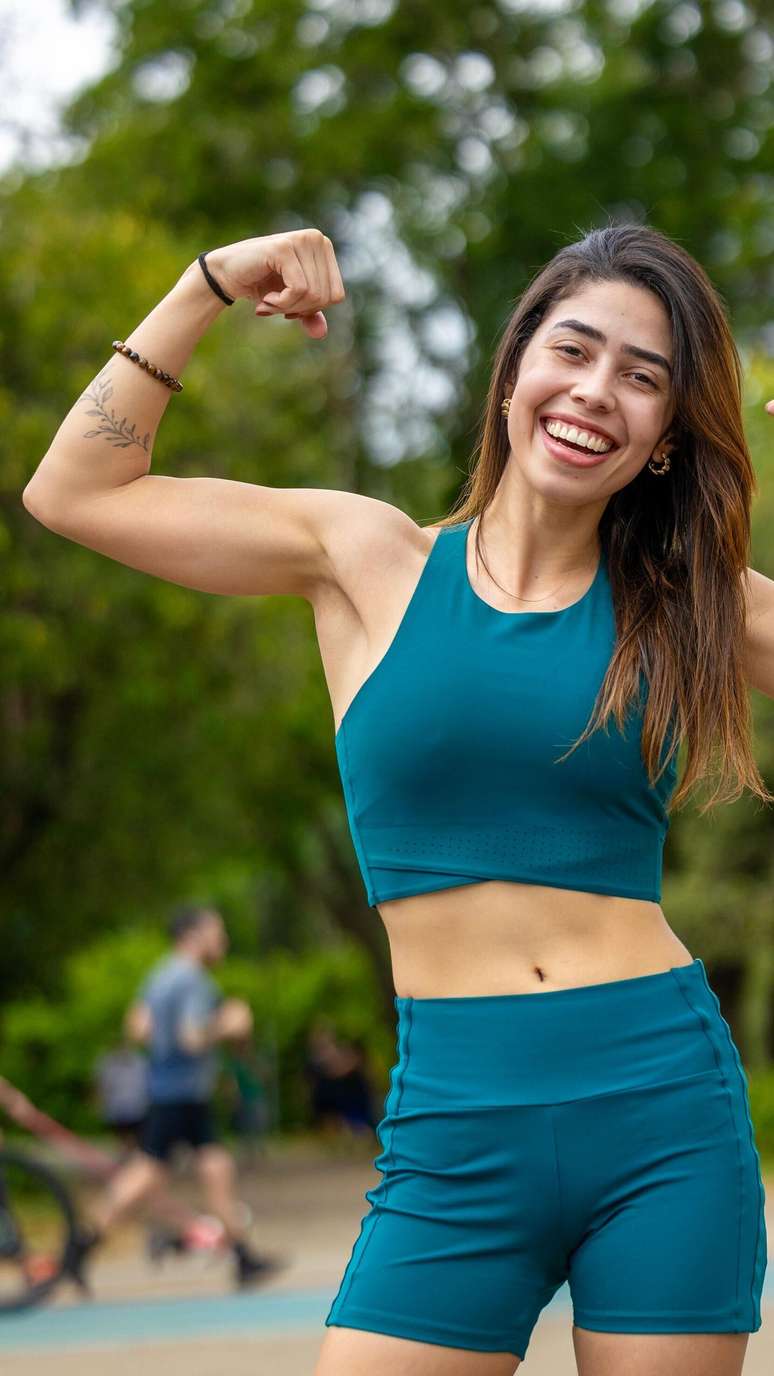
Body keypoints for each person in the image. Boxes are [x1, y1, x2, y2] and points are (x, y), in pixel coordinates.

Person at [22, 223, 774, 1375]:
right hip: (454, 1120)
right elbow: (74, 490)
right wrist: (209, 283)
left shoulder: (693, 602)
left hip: (661, 1107)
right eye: (572, 350)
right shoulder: (363, 556)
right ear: (516, 364)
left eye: (643, 377)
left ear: (668, 436)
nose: (595, 392)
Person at [68, 902, 284, 1289]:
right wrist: (228, 1024)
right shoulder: (193, 981)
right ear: (193, 935)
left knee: (213, 1170)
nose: (223, 940)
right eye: (217, 932)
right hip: (180, 1096)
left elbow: (138, 1027)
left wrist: (165, 1048)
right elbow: (190, 1036)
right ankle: (80, 1245)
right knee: (146, 1178)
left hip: (177, 1092)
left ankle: (243, 1258)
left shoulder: (160, 975)